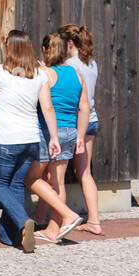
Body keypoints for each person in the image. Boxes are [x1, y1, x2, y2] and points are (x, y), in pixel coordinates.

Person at [0, 30, 82, 252]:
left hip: (5, 139)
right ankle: (13, 236)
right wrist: (53, 137)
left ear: (9, 48)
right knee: (15, 184)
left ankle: (24, 220)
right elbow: (47, 107)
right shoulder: (39, 74)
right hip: (31, 140)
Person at [34, 32, 91, 243]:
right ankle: (53, 227)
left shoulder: (45, 74)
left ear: (44, 50)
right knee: (57, 181)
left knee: (32, 177)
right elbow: (84, 107)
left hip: (48, 132)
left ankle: (66, 215)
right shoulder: (76, 73)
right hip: (70, 131)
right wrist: (80, 137)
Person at [60, 23, 103, 235]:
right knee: (85, 172)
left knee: (56, 173)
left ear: (69, 43)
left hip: (75, 122)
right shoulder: (91, 63)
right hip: (92, 120)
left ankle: (58, 219)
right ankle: (94, 220)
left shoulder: (69, 65)